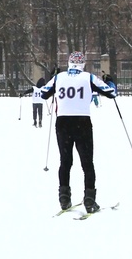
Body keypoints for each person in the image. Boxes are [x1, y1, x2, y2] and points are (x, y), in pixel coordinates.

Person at [40, 51, 116, 213]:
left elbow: (43, 94)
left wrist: (52, 78)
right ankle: (89, 200)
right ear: (82, 64)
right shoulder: (88, 77)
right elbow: (111, 93)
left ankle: (64, 198)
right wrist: (110, 81)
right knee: (87, 163)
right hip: (82, 122)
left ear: (69, 63)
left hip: (63, 123)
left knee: (65, 162)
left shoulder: (59, 77)